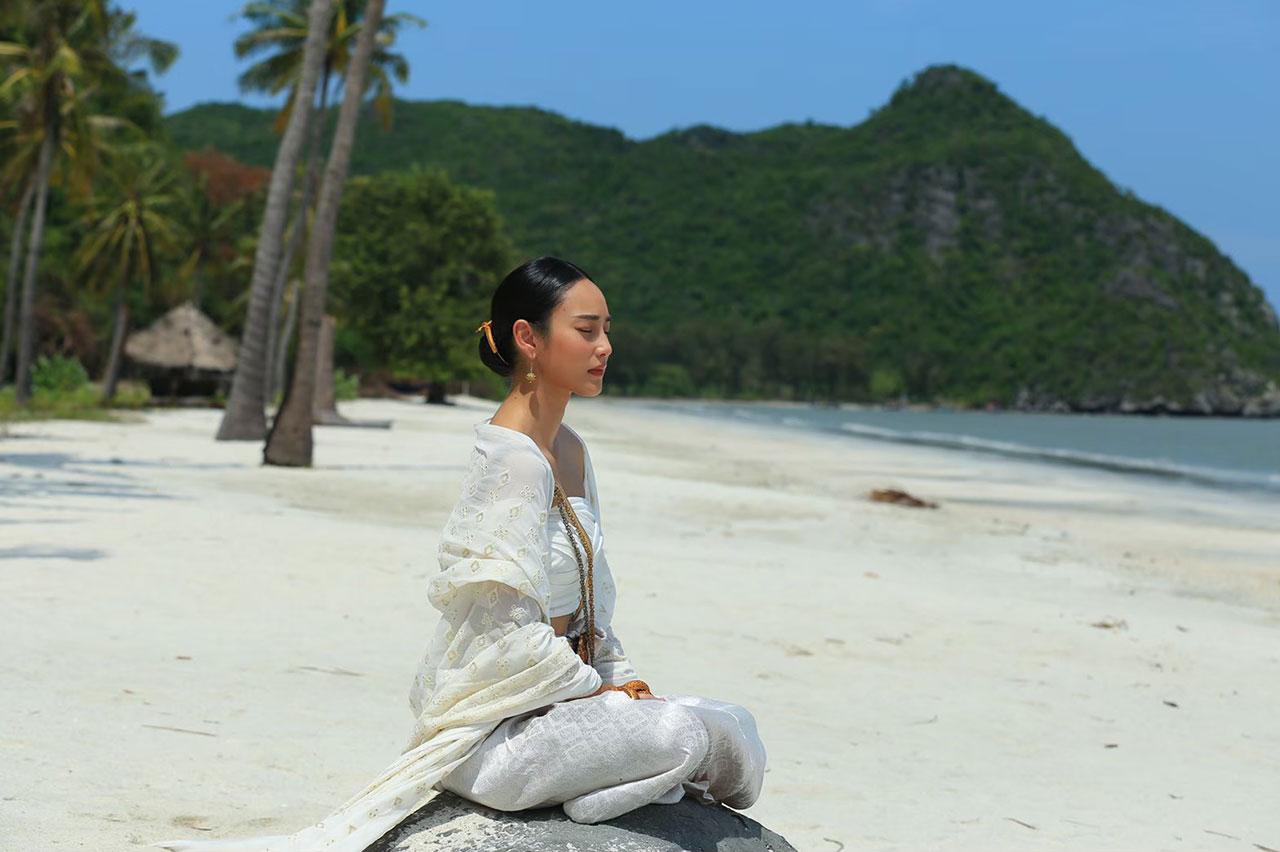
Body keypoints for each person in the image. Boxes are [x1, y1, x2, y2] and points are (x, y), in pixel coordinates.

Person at [151, 256, 765, 852]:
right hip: (504, 725)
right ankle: (601, 797)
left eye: (606, 330)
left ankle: (617, 784)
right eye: (586, 330)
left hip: (571, 701)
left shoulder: (572, 450)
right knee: (680, 734)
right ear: (528, 338)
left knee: (733, 726)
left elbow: (593, 608)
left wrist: (619, 681)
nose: (604, 346)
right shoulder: (510, 460)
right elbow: (502, 635)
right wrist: (597, 694)